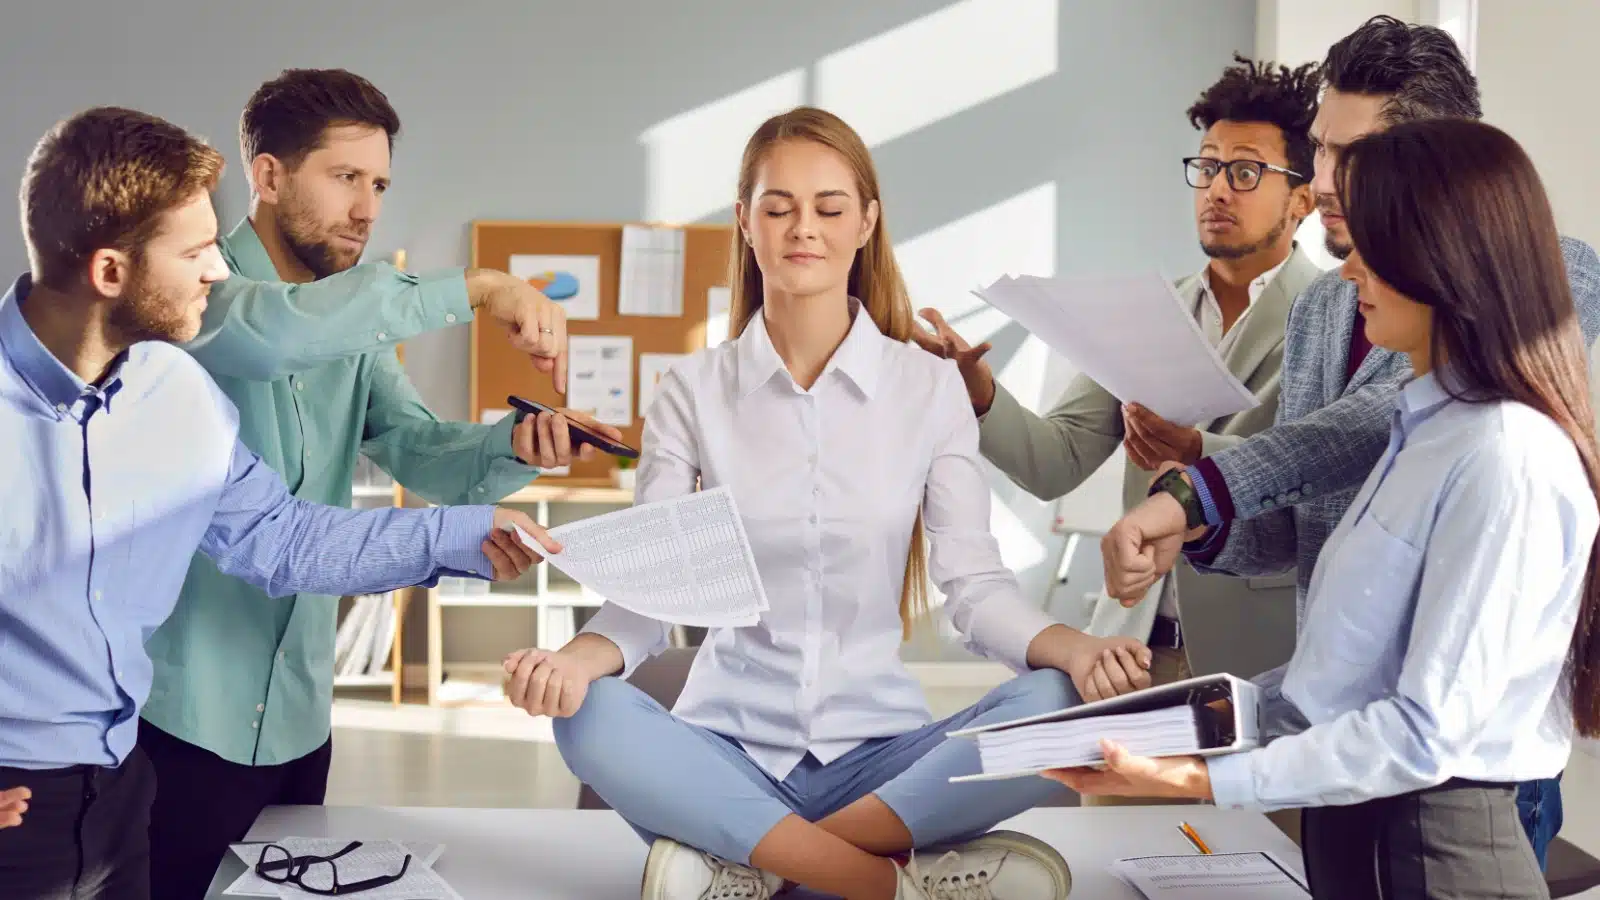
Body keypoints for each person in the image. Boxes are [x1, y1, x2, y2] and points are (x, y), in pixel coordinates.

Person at [502, 107, 1151, 900]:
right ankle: (885, 883)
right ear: (745, 222)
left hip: (884, 761)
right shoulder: (691, 392)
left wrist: (1075, 649)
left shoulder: (930, 388)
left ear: (866, 222)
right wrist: (570, 666)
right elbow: (648, 604)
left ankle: (747, 867)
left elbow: (975, 588)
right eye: (777, 207)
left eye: (829, 207)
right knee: (591, 715)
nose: (802, 228)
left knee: (1061, 699)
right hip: (726, 751)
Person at [0, 106, 556, 899]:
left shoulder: (176, 395)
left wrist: (468, 533)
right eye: (194, 252)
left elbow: (283, 538)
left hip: (123, 785)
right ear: (111, 273)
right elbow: (275, 330)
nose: (216, 271)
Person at [1054, 116, 1600, 900]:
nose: (1347, 276)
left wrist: (1198, 779)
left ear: (1446, 259)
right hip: (1355, 832)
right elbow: (1333, 680)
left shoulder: (1506, 452)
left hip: (1435, 852)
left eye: (1371, 251)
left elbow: (1424, 732)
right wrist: (1174, 725)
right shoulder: (1423, 432)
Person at [133, 68, 622, 900]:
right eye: (346, 178)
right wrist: (479, 287)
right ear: (270, 174)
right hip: (178, 717)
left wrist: (517, 446)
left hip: (296, 717)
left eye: (381, 184)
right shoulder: (198, 290)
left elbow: (416, 447)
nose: (368, 207)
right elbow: (279, 335)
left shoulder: (357, 319)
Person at [916, 53, 1322, 701]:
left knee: (1244, 812)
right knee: (1113, 805)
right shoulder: (1150, 315)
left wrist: (1194, 453)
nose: (1217, 189)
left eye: (1245, 171)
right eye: (1207, 166)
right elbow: (1055, 461)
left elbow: (1318, 471)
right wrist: (979, 392)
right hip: (1132, 650)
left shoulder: (1334, 316)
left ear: (1301, 199)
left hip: (1263, 659)